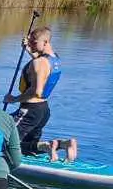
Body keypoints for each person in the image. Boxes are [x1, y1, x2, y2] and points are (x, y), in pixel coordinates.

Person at [5, 26, 77, 163]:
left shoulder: (39, 63)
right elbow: (41, 65)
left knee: (6, 142)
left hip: (29, 111)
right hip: (43, 110)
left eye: (34, 42)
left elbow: (36, 91)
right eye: (30, 41)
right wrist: (28, 49)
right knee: (27, 148)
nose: (31, 44)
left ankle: (47, 146)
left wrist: (13, 99)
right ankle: (62, 144)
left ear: (45, 42)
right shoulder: (54, 59)